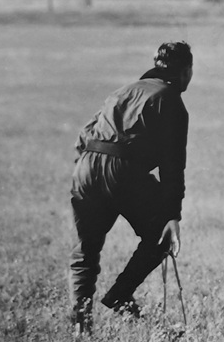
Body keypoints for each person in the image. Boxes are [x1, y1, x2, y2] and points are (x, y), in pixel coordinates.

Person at [69, 41, 193, 337]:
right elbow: (172, 166)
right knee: (161, 237)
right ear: (185, 71)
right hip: (123, 170)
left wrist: (91, 171)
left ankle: (80, 326)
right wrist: (172, 215)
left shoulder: (121, 91)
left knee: (86, 250)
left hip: (85, 168)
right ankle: (120, 295)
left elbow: (83, 137)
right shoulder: (170, 99)